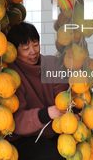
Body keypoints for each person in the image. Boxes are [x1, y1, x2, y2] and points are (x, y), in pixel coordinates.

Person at [6, 22, 73, 160]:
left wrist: (72, 114)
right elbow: (16, 121)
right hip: (25, 138)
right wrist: (45, 114)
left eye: (35, 44)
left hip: (56, 129)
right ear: (14, 51)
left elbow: (64, 96)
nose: (33, 51)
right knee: (51, 156)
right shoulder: (11, 76)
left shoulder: (52, 64)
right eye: (25, 48)